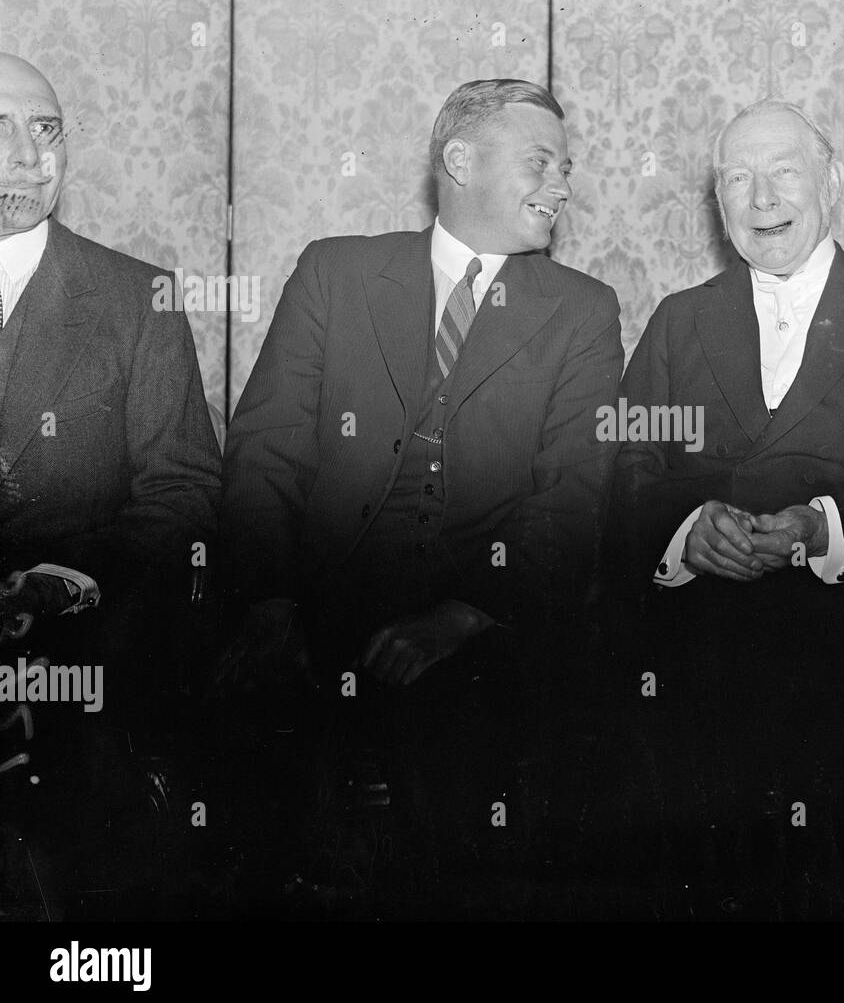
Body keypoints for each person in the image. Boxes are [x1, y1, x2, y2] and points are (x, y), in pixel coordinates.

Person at [218, 78, 623, 906]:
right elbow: (268, 450)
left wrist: (463, 614)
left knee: (452, 807)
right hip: (311, 606)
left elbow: (571, 498)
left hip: (480, 620)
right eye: (540, 162)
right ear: (459, 160)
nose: (562, 185)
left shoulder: (583, 310)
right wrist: (268, 598)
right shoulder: (337, 271)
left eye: (567, 167)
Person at [604, 99, 844, 914]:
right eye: (738, 178)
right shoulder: (677, 320)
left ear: (831, 184)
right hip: (694, 685)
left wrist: (819, 528)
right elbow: (623, 468)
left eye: (783, 172)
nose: (762, 198)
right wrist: (686, 533)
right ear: (718, 202)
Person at [0, 52, 222, 914]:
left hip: (76, 645)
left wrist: (72, 581)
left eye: (46, 130)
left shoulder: (139, 298)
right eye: (1, 131)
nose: (28, 155)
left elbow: (184, 492)